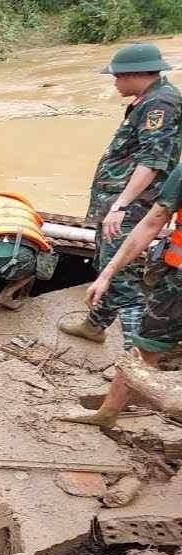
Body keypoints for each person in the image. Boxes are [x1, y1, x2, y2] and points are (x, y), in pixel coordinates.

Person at [59, 43, 180, 346]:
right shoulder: (148, 100)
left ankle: (133, 363)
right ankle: (94, 326)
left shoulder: (159, 106)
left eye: (117, 77)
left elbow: (153, 162)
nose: (114, 83)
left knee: (125, 283)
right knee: (107, 268)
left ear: (134, 74)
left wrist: (121, 205)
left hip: (132, 208)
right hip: (120, 203)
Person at [63, 163, 182, 427]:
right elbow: (152, 221)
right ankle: (108, 413)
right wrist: (107, 274)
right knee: (145, 347)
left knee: (145, 349)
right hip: (176, 285)